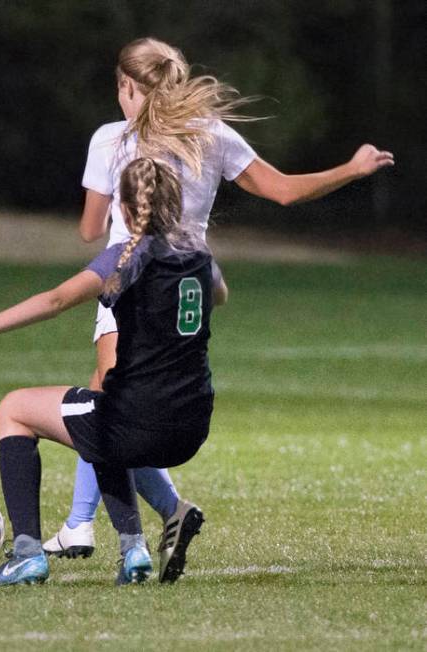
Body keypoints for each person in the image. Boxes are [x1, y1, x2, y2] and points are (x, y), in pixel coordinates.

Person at [44, 36, 395, 573]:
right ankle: (114, 518)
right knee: (116, 400)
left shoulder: (112, 140)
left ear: (127, 85)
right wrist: (351, 169)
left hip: (134, 279)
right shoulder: (212, 134)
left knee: (109, 406)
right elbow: (281, 191)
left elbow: (91, 229)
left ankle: (89, 526)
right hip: (192, 288)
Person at [0, 157, 212, 586]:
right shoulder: (200, 256)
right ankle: (133, 552)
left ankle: (27, 555)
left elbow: (57, 300)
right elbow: (219, 294)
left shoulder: (125, 258)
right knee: (99, 418)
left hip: (138, 425)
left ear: (122, 207)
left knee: (15, 408)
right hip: (192, 426)